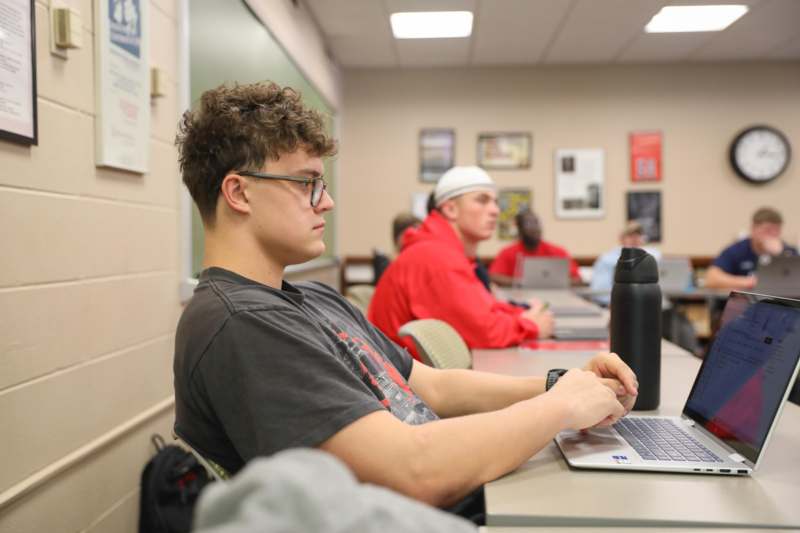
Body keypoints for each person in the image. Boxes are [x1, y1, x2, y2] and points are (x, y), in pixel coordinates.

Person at [173, 82, 638, 518]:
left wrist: (560, 383)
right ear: (239, 192)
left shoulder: (310, 297)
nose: (326, 201)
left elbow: (433, 387)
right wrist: (559, 408)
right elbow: (415, 471)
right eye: (306, 182)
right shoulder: (242, 324)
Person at [369, 167, 555, 352]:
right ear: (450, 209)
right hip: (402, 379)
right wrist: (530, 325)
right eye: (482, 200)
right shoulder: (436, 256)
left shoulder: (442, 250)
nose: (495, 210)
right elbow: (484, 333)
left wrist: (522, 314)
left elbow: (485, 309)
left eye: (495, 202)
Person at [705, 207, 798, 290]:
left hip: (778, 305)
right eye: (767, 230)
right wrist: (751, 282)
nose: (772, 235)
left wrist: (780, 255)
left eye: (776, 230)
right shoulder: (737, 250)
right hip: (742, 304)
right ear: (753, 229)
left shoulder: (787, 251)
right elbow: (711, 279)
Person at [489, 210, 581, 287]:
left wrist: (553, 284)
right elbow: (493, 276)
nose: (535, 228)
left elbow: (577, 279)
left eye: (536, 223)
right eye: (529, 224)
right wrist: (520, 282)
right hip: (520, 298)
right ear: (519, 230)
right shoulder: (508, 252)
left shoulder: (557, 251)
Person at [589, 221, 662, 306]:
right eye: (630, 235)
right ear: (621, 238)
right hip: (617, 305)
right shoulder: (607, 259)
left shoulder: (653, 257)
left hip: (648, 304)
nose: (635, 239)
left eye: (638, 235)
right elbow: (599, 292)